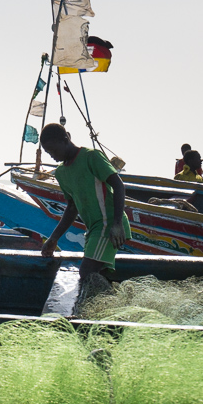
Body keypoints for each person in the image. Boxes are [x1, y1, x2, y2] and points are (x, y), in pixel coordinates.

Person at [39, 123, 130, 290]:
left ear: (65, 140)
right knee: (98, 275)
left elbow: (118, 185)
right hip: (93, 229)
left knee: (86, 272)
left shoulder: (91, 156)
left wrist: (117, 224)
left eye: (53, 150)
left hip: (108, 223)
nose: (51, 155)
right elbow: (72, 208)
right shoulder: (61, 173)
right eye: (48, 152)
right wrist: (54, 238)